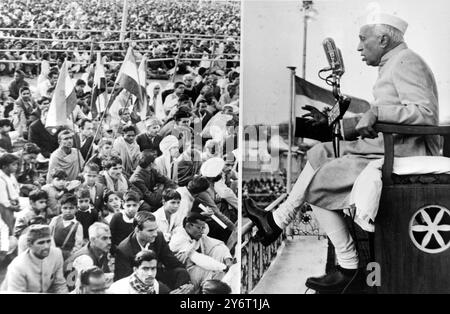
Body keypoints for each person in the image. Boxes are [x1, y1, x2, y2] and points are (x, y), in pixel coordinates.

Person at [245, 13, 440, 293]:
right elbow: (391, 114)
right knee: (320, 152)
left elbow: (425, 115)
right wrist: (336, 119)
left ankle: (347, 265)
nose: (358, 48)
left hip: (405, 150)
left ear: (383, 39)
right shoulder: (393, 63)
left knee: (322, 179)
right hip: (391, 145)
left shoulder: (405, 61)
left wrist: (376, 112)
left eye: (363, 39)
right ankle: (276, 221)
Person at [114, 211, 190, 290]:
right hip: (138, 282)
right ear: (137, 230)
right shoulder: (124, 250)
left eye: (155, 229)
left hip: (155, 274)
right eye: (150, 231)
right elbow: (126, 281)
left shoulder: (158, 237)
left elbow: (172, 262)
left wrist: (187, 284)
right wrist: (162, 288)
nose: (155, 234)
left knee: (182, 273)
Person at [169, 213, 234, 291]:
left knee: (218, 250)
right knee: (208, 271)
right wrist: (224, 267)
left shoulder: (195, 235)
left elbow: (218, 244)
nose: (202, 231)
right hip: (181, 275)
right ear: (189, 226)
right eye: (199, 228)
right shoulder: (179, 239)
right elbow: (199, 259)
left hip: (193, 269)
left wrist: (227, 260)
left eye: (203, 228)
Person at [1, 224, 68, 293]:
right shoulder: (17, 266)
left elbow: (59, 284)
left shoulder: (56, 254)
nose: (46, 246)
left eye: (48, 241)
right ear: (30, 245)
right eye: (41, 243)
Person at [65, 222, 114, 291]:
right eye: (104, 238)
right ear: (92, 240)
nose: (109, 242)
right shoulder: (85, 260)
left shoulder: (99, 251)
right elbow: (82, 288)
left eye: (110, 238)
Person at [48, 193, 84, 260]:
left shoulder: (78, 226)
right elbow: (48, 234)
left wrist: (70, 257)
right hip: (51, 252)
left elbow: (78, 245)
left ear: (76, 209)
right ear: (61, 208)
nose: (68, 211)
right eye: (65, 208)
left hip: (66, 256)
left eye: (71, 208)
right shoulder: (55, 220)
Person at [0, 154, 21, 236]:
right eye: (13, 164)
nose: (16, 167)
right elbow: (2, 198)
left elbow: (15, 188)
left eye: (16, 164)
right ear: (4, 166)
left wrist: (16, 202)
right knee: (6, 227)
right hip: (4, 207)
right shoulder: (1, 178)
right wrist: (11, 206)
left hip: (12, 204)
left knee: (11, 224)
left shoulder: (11, 175)